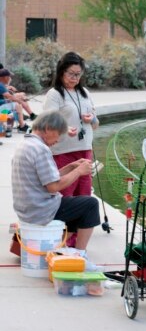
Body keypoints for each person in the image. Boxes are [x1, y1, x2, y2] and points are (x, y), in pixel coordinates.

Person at [11, 111, 101, 262]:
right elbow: (53, 187)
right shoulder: (40, 149)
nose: (58, 140)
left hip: (28, 208)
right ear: (48, 128)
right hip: (40, 210)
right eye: (58, 134)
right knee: (90, 204)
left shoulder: (27, 144)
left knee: (75, 204)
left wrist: (71, 166)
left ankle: (62, 248)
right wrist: (79, 171)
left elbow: (45, 179)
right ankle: (79, 255)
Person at [44, 52, 99, 246]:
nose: (74, 78)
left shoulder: (84, 93)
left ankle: (76, 242)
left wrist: (90, 119)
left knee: (84, 195)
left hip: (85, 150)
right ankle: (61, 240)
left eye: (78, 74)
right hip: (63, 152)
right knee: (65, 196)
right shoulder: (55, 94)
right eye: (71, 74)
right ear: (61, 72)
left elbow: (96, 123)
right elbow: (47, 122)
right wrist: (64, 128)